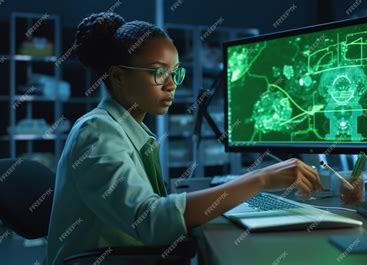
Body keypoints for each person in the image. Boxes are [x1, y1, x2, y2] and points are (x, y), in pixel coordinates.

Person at [46, 12, 322, 265]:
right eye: (158, 72)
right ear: (118, 76)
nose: (172, 84)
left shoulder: (125, 128)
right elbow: (150, 221)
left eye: (175, 72)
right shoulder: (97, 132)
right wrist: (260, 179)